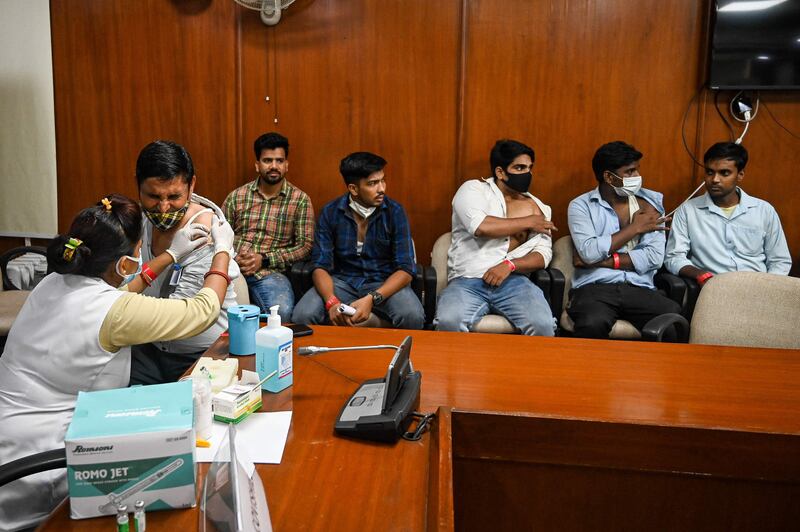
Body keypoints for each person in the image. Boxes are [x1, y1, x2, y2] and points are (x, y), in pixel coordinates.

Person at [0, 194, 235, 531]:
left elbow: (118, 295)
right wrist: (222, 250)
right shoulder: (109, 311)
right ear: (125, 264)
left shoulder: (52, 282)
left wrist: (171, 254)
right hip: (39, 463)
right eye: (140, 251)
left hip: (9, 432)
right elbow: (201, 312)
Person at [129, 140, 240, 385]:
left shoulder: (207, 231)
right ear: (138, 186)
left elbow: (185, 316)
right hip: (149, 347)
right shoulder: (141, 220)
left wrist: (123, 313)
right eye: (153, 196)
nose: (164, 208)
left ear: (192, 186)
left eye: (174, 196)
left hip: (200, 353)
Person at [434, 139, 556, 335]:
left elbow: (543, 254)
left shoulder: (539, 207)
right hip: (467, 281)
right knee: (449, 322)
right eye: (519, 168)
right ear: (500, 172)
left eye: (529, 168)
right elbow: (481, 226)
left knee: (543, 325)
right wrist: (530, 222)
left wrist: (510, 265)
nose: (527, 174)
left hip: (514, 282)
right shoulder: (473, 190)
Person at [291, 152, 424, 329]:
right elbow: (320, 266)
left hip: (383, 282)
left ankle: (380, 329)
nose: (382, 189)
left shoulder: (395, 212)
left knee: (412, 316)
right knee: (302, 315)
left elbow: (406, 269)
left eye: (382, 180)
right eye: (372, 184)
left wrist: (372, 298)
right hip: (341, 281)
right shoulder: (330, 212)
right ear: (353, 189)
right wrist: (331, 301)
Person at [566, 141, 681, 338]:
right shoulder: (581, 206)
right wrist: (635, 228)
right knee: (592, 323)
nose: (637, 177)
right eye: (629, 172)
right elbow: (589, 252)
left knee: (674, 323)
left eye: (637, 170)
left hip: (640, 288)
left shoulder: (650, 204)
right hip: (595, 288)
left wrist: (605, 260)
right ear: (609, 177)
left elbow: (654, 258)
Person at [665, 142, 791, 284]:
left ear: (740, 175)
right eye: (709, 172)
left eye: (724, 173)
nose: (715, 180)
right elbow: (673, 257)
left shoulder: (764, 210)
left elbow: (780, 260)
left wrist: (767, 288)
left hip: (759, 287)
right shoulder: (688, 210)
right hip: (713, 288)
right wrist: (700, 275)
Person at [223, 132, 314, 322]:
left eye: (279, 160)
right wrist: (232, 257)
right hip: (231, 267)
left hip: (270, 273)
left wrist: (263, 259)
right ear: (257, 164)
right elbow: (219, 235)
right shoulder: (237, 196)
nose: (274, 166)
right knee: (214, 311)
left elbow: (305, 247)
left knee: (282, 314)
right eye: (267, 160)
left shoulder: (300, 200)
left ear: (286, 164)